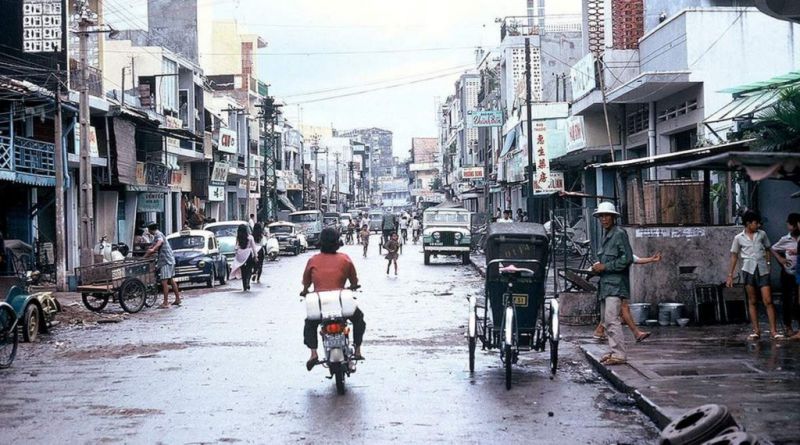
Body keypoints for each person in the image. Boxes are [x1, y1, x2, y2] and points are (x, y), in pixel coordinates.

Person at [301, 227, 366, 370]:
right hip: (342, 303)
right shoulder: (345, 259)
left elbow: (306, 282)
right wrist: (354, 285)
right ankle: (357, 349)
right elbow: (353, 280)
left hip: (320, 304)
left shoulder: (313, 260)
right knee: (358, 319)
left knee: (310, 324)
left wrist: (305, 290)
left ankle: (313, 354)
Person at [727, 210, 782, 340]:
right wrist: (730, 274)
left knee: (768, 300)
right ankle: (756, 331)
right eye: (755, 223)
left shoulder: (762, 234)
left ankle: (774, 331)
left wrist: (768, 264)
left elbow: (768, 248)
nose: (757, 225)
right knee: (752, 300)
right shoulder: (738, 238)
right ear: (748, 223)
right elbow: (734, 256)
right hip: (748, 270)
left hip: (762, 270)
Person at [591, 202, 633, 366]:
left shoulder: (619, 234)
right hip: (606, 284)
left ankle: (619, 354)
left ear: (613, 217)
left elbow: (627, 258)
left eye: (607, 216)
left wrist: (606, 267)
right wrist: (598, 268)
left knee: (612, 319)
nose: (604, 219)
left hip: (616, 284)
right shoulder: (607, 235)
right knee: (606, 320)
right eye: (601, 216)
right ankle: (614, 350)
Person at [593, 252, 663, 342]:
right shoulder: (611, 254)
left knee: (619, 310)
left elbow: (636, 259)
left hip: (616, 286)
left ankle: (600, 330)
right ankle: (635, 334)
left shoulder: (621, 254)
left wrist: (651, 259)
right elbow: (595, 267)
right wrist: (651, 259)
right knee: (621, 310)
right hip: (614, 287)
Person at [771, 213, 800, 338]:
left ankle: (798, 328)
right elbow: (773, 248)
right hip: (788, 273)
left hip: (798, 272)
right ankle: (788, 327)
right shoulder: (785, 239)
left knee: (798, 301)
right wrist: (781, 260)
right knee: (787, 300)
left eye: (790, 224)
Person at [145, 222, 181, 308]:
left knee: (164, 282)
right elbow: (151, 248)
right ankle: (177, 299)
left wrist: (153, 249)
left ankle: (165, 302)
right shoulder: (156, 235)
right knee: (171, 280)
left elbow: (159, 242)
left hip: (166, 261)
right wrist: (145, 256)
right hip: (170, 260)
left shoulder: (158, 234)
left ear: (150, 229)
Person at [231, 224, 258, 291]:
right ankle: (248, 282)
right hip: (248, 254)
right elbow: (254, 247)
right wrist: (255, 256)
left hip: (240, 255)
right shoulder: (250, 237)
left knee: (243, 271)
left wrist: (236, 255)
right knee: (249, 270)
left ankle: (244, 286)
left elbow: (236, 247)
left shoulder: (238, 237)